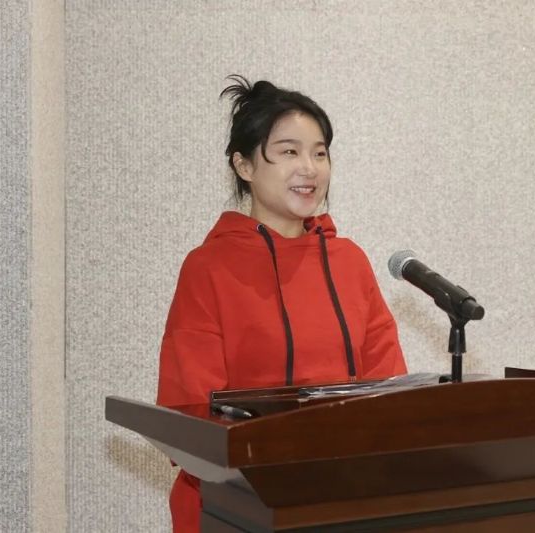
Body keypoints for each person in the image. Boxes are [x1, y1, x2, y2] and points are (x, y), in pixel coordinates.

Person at [156, 75, 407, 532]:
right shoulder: (208, 268)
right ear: (244, 165)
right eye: (289, 151)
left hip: (340, 504)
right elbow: (189, 408)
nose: (309, 168)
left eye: (319, 153)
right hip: (231, 507)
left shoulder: (350, 262)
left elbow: (389, 391)